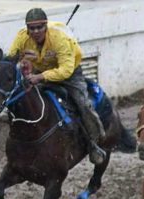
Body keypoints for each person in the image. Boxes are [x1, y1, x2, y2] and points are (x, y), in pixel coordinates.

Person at [9, 8, 107, 164]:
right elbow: (11, 59)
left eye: (39, 27)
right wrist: (23, 65)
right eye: (31, 28)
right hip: (39, 70)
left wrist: (40, 77)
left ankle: (95, 143)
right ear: (26, 29)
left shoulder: (59, 39)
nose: (35, 31)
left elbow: (66, 70)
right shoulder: (21, 37)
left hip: (69, 74)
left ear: (46, 26)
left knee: (83, 105)